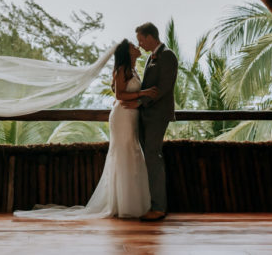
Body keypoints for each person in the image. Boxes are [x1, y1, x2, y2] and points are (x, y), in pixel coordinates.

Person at [13, 39, 158, 220]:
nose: (137, 48)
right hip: (123, 117)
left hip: (131, 116)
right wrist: (143, 94)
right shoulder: (122, 70)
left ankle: (130, 202)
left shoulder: (134, 70)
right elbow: (120, 95)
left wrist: (137, 100)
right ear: (127, 53)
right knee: (124, 153)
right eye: (133, 47)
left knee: (132, 152)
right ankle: (122, 204)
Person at [120, 22, 178, 221]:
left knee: (153, 157)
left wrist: (139, 102)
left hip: (157, 115)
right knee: (150, 158)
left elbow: (164, 87)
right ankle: (153, 203)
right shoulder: (150, 59)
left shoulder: (167, 55)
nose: (140, 44)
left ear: (151, 37)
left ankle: (159, 208)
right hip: (147, 115)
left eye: (141, 39)